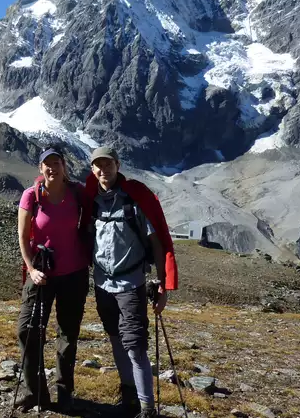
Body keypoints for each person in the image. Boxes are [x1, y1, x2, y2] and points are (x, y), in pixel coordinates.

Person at [84, 146, 178, 418]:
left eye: (108, 164)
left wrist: (161, 283)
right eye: (98, 165)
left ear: (117, 165)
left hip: (131, 284)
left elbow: (157, 243)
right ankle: (129, 400)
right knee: (115, 339)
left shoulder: (134, 199)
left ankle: (147, 408)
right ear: (93, 170)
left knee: (135, 347)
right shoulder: (91, 202)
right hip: (102, 284)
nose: (104, 170)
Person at [15, 147, 90, 413]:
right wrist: (30, 269)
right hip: (42, 274)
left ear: (64, 166)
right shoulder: (31, 196)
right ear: (40, 169)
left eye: (56, 163)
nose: (52, 168)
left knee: (67, 334)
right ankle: (36, 393)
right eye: (47, 164)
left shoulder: (77, 193)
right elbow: (24, 237)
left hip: (74, 273)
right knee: (27, 330)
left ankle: (64, 392)